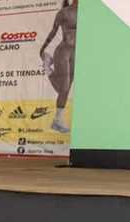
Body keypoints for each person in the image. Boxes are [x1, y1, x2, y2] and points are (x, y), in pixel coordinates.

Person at [41, 0, 77, 133]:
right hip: (64, 51)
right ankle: (48, 69)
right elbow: (53, 32)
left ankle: (57, 121)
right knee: (64, 87)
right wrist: (42, 49)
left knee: (66, 90)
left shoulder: (90, 13)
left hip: (77, 53)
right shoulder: (63, 12)